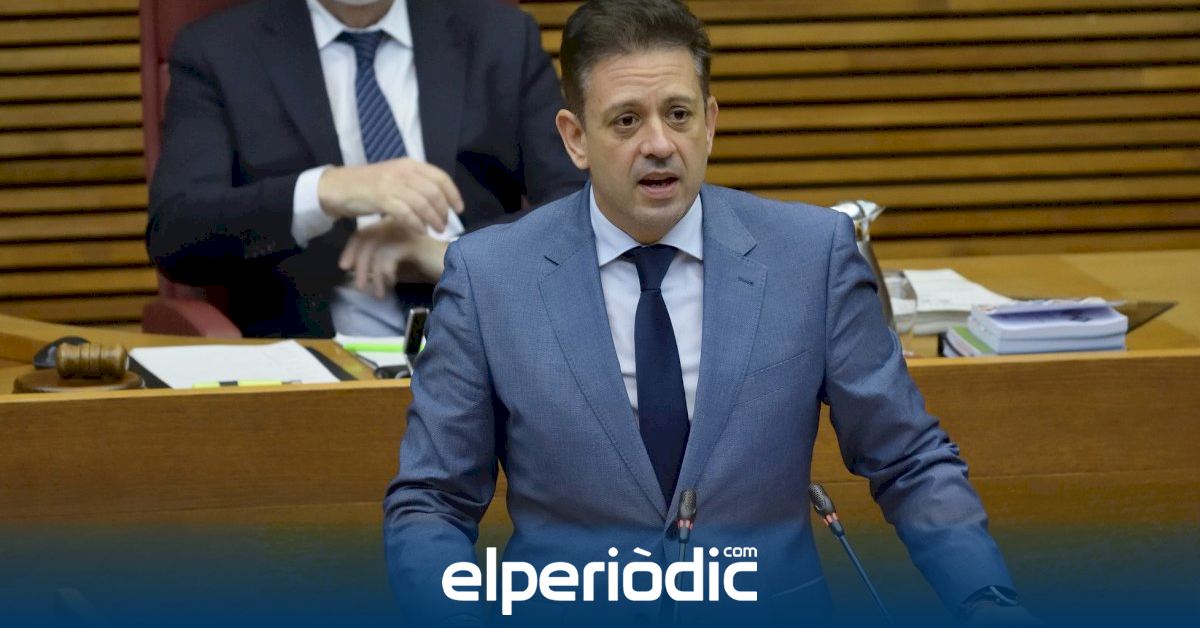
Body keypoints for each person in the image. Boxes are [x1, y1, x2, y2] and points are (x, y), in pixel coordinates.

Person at [384, 0, 1036, 625]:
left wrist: (986, 599)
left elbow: (910, 459)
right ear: (575, 139)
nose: (659, 144)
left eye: (678, 114)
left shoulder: (811, 257)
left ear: (711, 122)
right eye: (626, 121)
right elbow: (433, 501)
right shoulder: (491, 278)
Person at [146, 0, 584, 337]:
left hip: (491, 349)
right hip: (315, 369)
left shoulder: (499, 37)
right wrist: (324, 191)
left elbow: (580, 203)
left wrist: (453, 256)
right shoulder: (219, 52)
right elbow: (177, 232)